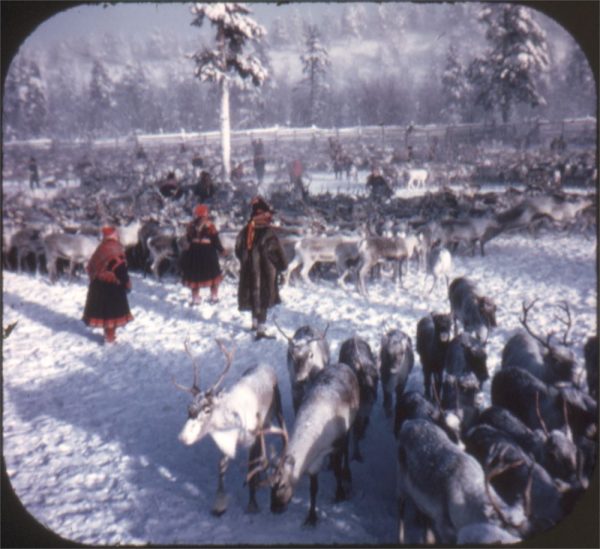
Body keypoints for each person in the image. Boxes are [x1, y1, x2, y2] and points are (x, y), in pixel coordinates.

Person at [235, 196, 288, 340]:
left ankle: (254, 323)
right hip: (265, 272)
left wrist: (246, 262)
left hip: (249, 272)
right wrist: (282, 266)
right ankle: (260, 330)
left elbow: (238, 250)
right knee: (263, 298)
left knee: (253, 296)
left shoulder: (246, 230)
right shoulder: (268, 233)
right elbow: (277, 253)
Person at [83, 226, 133, 344]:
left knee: (104, 313)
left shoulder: (101, 248)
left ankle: (108, 335)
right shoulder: (115, 248)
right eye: (116, 234)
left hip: (98, 286)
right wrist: (126, 282)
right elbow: (120, 268)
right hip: (112, 287)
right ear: (114, 235)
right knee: (112, 314)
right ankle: (110, 338)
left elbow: (91, 266)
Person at [180, 204, 225, 305]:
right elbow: (215, 240)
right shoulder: (210, 225)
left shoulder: (191, 225)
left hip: (194, 253)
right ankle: (214, 297)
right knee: (214, 276)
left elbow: (188, 239)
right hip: (208, 254)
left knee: (194, 278)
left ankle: (196, 299)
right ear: (206, 213)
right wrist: (222, 250)